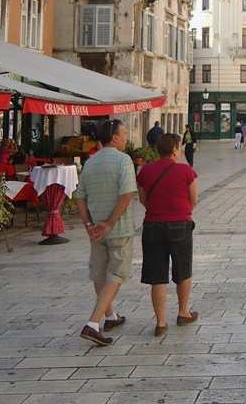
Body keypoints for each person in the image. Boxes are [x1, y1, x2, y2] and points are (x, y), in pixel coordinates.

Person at [75, 119, 141, 347]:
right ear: (114, 137)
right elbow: (127, 195)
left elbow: (80, 197)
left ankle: (110, 315)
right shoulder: (124, 160)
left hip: (96, 230)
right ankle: (93, 323)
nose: (126, 138)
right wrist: (110, 222)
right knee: (116, 274)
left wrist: (89, 225)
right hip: (118, 228)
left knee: (99, 272)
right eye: (124, 133)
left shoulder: (90, 162)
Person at [136, 132, 199, 337]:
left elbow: (143, 199)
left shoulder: (146, 171)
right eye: (179, 148)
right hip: (180, 224)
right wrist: (181, 211)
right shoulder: (185, 171)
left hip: (153, 225)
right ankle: (183, 312)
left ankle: (161, 322)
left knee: (157, 275)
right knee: (183, 270)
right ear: (174, 150)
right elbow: (194, 198)